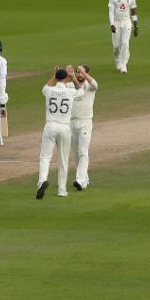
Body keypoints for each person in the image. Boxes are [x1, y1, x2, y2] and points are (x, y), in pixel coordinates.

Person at [36, 67, 84, 199]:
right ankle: (62, 190)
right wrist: (73, 76)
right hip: (64, 128)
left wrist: (55, 75)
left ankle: (42, 182)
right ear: (66, 79)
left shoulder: (49, 90)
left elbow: (46, 85)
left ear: (56, 77)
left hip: (50, 126)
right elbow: (81, 90)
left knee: (45, 157)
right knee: (63, 159)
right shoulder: (70, 92)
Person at [68, 64, 98, 191]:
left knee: (83, 151)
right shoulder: (70, 85)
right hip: (71, 123)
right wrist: (66, 75)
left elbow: (95, 84)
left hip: (85, 122)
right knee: (75, 154)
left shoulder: (90, 87)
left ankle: (79, 179)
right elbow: (59, 87)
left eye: (81, 73)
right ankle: (84, 180)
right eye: (78, 72)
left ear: (86, 74)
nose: (79, 74)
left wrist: (84, 73)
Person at [108, 0, 138, 74]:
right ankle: (118, 60)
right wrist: (112, 24)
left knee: (125, 43)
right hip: (116, 22)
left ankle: (123, 65)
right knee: (116, 46)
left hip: (126, 22)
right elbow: (111, 12)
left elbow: (133, 13)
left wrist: (136, 26)